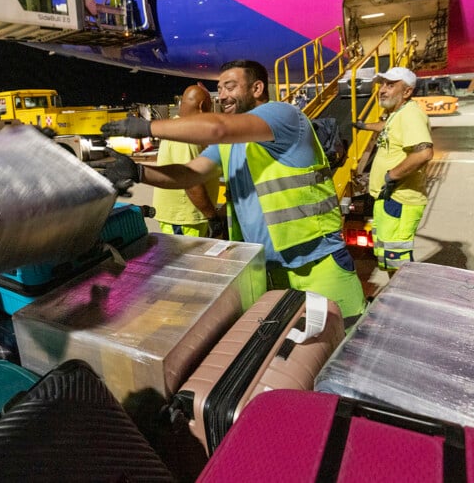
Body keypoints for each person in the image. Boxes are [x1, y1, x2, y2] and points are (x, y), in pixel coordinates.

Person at [100, 59, 366, 325]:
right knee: (290, 356)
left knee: (345, 341)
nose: (223, 95)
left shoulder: (282, 115)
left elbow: (218, 127)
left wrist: (147, 128)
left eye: (230, 86)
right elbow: (191, 173)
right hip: (268, 268)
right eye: (220, 88)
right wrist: (138, 173)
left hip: (317, 264)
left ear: (258, 88)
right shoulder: (229, 144)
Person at [353, 67, 433, 273]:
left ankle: (404, 301)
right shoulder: (398, 114)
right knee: (390, 257)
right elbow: (386, 126)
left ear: (407, 92)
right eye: (382, 84)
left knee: (398, 261)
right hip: (389, 199)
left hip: (399, 200)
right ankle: (397, 296)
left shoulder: (410, 115)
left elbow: (424, 153)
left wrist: (392, 176)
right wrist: (364, 126)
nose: (382, 90)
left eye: (390, 85)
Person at [153, 84, 223, 237]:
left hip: (190, 216)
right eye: (210, 107)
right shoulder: (185, 135)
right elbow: (190, 180)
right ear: (202, 106)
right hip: (184, 219)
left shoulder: (182, 127)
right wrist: (213, 216)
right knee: (188, 260)